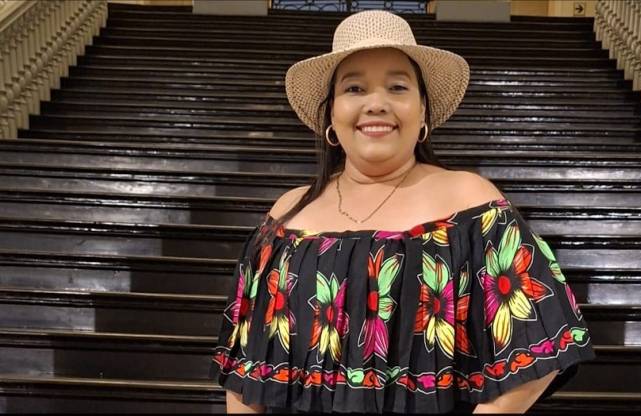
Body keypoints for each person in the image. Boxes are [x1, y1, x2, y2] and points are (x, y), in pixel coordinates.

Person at [209, 10, 596, 414]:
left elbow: (541, 342)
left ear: (423, 110)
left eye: (397, 87)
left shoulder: (470, 203)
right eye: (354, 88)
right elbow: (245, 371)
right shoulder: (287, 215)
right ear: (331, 114)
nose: (376, 104)